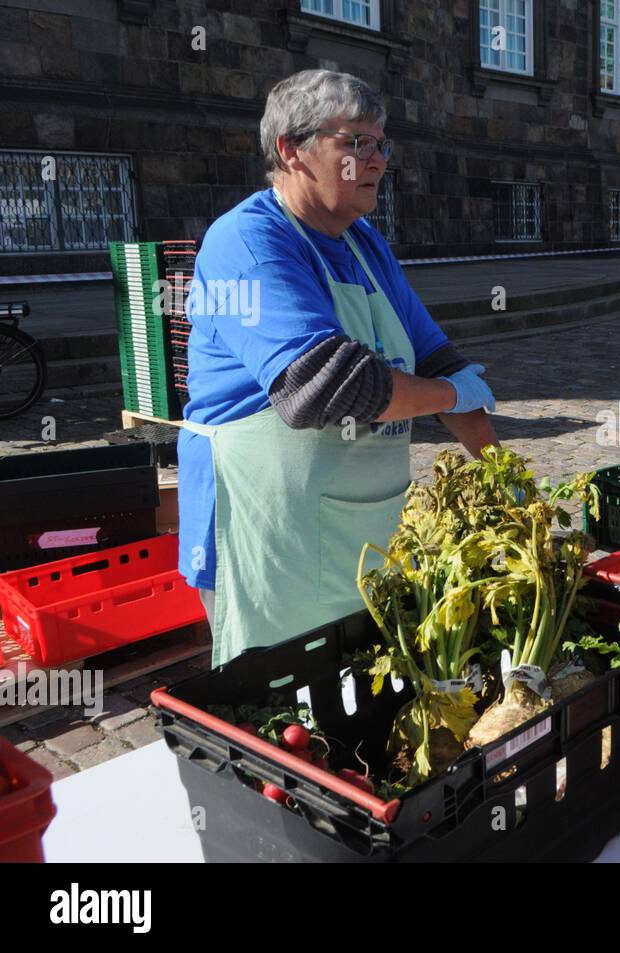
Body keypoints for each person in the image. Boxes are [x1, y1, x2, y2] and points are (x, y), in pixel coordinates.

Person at [178, 70, 498, 666]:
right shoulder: (246, 243)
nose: (376, 161)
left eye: (381, 144)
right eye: (354, 143)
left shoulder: (364, 244)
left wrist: (504, 481)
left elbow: (437, 356)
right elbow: (320, 386)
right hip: (267, 533)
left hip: (363, 526)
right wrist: (447, 396)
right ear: (290, 151)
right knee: (282, 707)